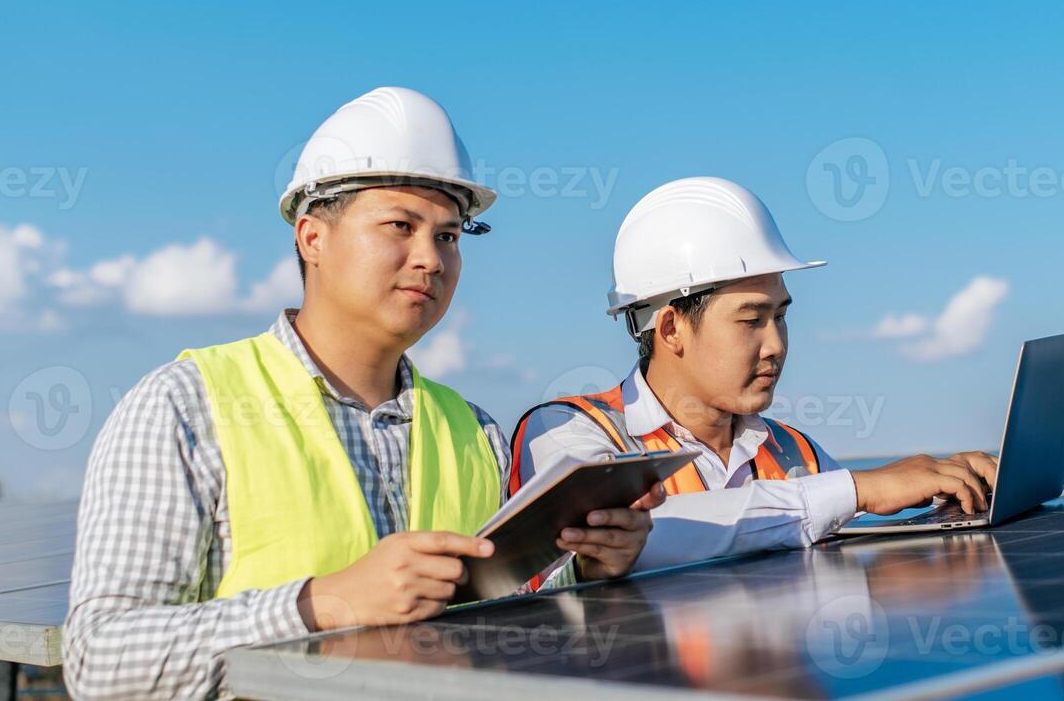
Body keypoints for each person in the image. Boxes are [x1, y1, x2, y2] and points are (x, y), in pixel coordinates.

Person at [63, 87, 660, 700]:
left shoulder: (471, 428)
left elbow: (502, 627)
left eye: (450, 237)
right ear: (312, 238)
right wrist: (325, 602)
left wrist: (590, 566)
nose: (430, 258)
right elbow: (102, 661)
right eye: (401, 226)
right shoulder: (182, 407)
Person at [511, 176, 995, 571]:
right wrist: (858, 487)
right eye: (750, 320)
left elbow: (842, 511)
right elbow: (644, 533)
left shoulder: (791, 451)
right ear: (672, 328)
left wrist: (948, 485)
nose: (776, 344)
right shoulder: (565, 434)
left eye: (781, 316)